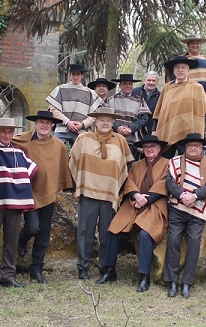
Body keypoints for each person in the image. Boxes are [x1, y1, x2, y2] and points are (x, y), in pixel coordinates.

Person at [69, 107, 134, 281]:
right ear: (95, 122)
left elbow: (126, 166)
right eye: (101, 119)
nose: (105, 123)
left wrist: (118, 187)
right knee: (85, 232)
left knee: (107, 233)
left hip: (109, 194)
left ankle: (105, 267)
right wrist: (79, 184)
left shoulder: (120, 140)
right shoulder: (83, 139)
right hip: (88, 191)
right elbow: (72, 162)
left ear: (113, 123)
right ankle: (83, 267)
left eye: (108, 120)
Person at [102, 135, 170, 292]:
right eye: (146, 147)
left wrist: (146, 199)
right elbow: (129, 182)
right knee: (114, 230)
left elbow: (164, 184)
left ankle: (144, 276)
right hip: (133, 204)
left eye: (153, 146)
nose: (149, 149)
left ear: (159, 148)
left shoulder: (167, 164)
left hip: (155, 205)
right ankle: (110, 270)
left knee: (146, 234)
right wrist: (136, 196)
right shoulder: (136, 165)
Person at [0, 118, 37, 296]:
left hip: (15, 200)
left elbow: (31, 169)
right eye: (3, 131)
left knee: (11, 239)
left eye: (9, 132)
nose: (6, 135)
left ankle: (8, 275)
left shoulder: (18, 151)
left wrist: (18, 186)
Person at [13, 110, 72, 284]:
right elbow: (4, 139)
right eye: (41, 122)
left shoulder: (58, 145)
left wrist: (65, 186)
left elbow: (62, 167)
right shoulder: (23, 139)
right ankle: (22, 240)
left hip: (49, 192)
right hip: (29, 192)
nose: (44, 125)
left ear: (53, 125)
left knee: (44, 232)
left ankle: (36, 268)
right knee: (32, 227)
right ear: (36, 123)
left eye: (48, 123)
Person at [163, 133, 206, 299]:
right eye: (190, 145)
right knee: (173, 240)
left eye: (196, 145)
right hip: (177, 208)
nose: (193, 148)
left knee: (194, 244)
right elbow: (169, 183)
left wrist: (194, 196)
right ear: (186, 147)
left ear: (201, 147)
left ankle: (187, 283)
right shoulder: (174, 162)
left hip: (198, 210)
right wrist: (183, 196)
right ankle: (173, 281)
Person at [153, 56, 206, 155]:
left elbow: (205, 110)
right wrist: (154, 130)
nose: (180, 70)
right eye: (177, 67)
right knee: (164, 162)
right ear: (173, 70)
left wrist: (198, 127)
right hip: (168, 131)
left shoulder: (197, 87)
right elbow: (159, 112)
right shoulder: (166, 88)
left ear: (188, 71)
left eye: (183, 67)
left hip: (188, 133)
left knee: (188, 162)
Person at [46, 63, 103, 145]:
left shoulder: (90, 93)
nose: (75, 77)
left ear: (82, 75)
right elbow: (53, 109)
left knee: (82, 155)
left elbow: (94, 114)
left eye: (78, 74)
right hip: (62, 129)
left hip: (82, 131)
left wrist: (82, 124)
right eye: (73, 74)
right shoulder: (60, 89)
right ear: (70, 75)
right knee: (54, 150)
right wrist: (67, 122)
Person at [103, 73, 152, 158]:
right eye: (125, 83)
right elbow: (105, 117)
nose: (128, 86)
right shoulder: (111, 100)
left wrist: (131, 128)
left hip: (133, 141)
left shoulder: (139, 100)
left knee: (131, 167)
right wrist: (117, 127)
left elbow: (144, 118)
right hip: (113, 138)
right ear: (120, 85)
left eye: (130, 84)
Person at [166, 34, 206, 108]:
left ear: (200, 45)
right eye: (192, 43)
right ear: (188, 45)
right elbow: (172, 78)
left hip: (204, 101)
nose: (195, 45)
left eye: (197, 43)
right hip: (184, 99)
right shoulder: (181, 60)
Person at [132, 71, 161, 136]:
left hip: (150, 131)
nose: (151, 83)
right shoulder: (135, 92)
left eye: (153, 81)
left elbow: (159, 115)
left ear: (157, 82)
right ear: (144, 80)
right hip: (134, 128)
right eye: (149, 80)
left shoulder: (160, 96)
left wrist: (155, 130)